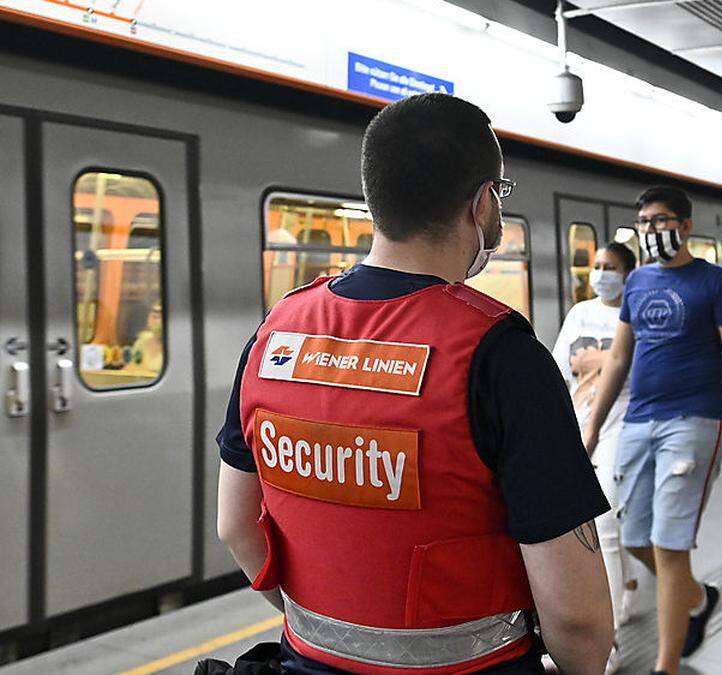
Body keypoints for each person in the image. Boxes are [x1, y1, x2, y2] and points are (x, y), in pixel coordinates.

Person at [215, 93, 613, 675]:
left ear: (377, 201)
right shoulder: (501, 355)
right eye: (499, 197)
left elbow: (236, 527)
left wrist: (323, 630)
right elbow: (578, 619)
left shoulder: (275, 334)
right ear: (480, 205)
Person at [583, 185, 722, 675]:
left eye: (661, 220)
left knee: (668, 547)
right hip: (639, 422)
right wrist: (592, 429)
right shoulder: (639, 284)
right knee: (632, 534)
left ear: (686, 227)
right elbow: (620, 359)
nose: (651, 230)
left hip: (695, 420)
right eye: (644, 221)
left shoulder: (716, 284)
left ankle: (665, 667)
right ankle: (697, 597)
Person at [551, 241, 639, 674]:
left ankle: (610, 637)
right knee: (591, 525)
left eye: (611, 267)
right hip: (577, 425)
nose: (601, 273)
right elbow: (559, 367)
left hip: (621, 426)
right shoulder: (579, 313)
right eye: (597, 266)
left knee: (603, 523)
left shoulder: (635, 314)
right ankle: (626, 588)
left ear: (628, 273)